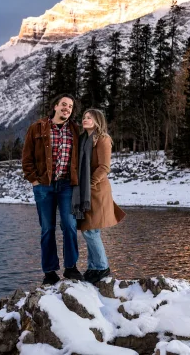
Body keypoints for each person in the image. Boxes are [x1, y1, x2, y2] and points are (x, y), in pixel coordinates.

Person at [22, 93, 84, 285]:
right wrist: (34, 180)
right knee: (47, 228)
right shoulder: (37, 128)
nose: (67, 108)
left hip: (67, 185)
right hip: (44, 185)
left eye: (70, 106)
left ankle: (71, 268)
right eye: (64, 104)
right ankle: (49, 272)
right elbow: (26, 157)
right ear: (55, 106)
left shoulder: (75, 130)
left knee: (69, 225)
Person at [76, 108, 126, 283]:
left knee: (90, 230)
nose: (85, 119)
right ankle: (93, 267)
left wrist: (89, 184)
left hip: (96, 190)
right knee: (89, 229)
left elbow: (104, 167)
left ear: (98, 121)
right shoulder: (83, 139)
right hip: (84, 191)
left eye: (89, 117)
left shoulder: (103, 139)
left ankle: (102, 267)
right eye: (84, 117)